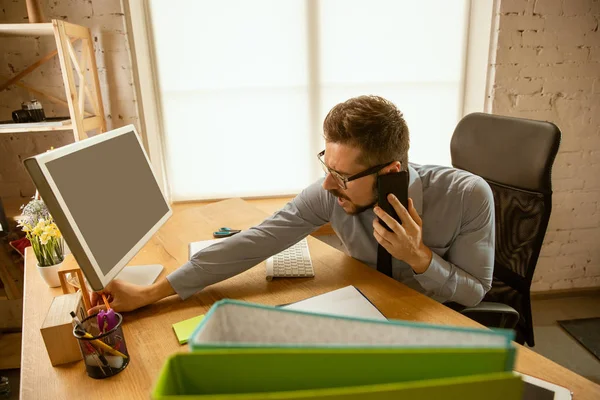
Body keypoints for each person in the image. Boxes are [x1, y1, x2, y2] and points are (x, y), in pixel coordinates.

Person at [88, 95, 494, 315]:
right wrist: (152, 292)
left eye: (344, 175)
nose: (328, 183)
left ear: (391, 170)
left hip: (432, 322)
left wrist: (421, 259)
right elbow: (256, 241)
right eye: (326, 164)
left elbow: (475, 293)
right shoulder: (332, 192)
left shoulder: (467, 195)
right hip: (362, 308)